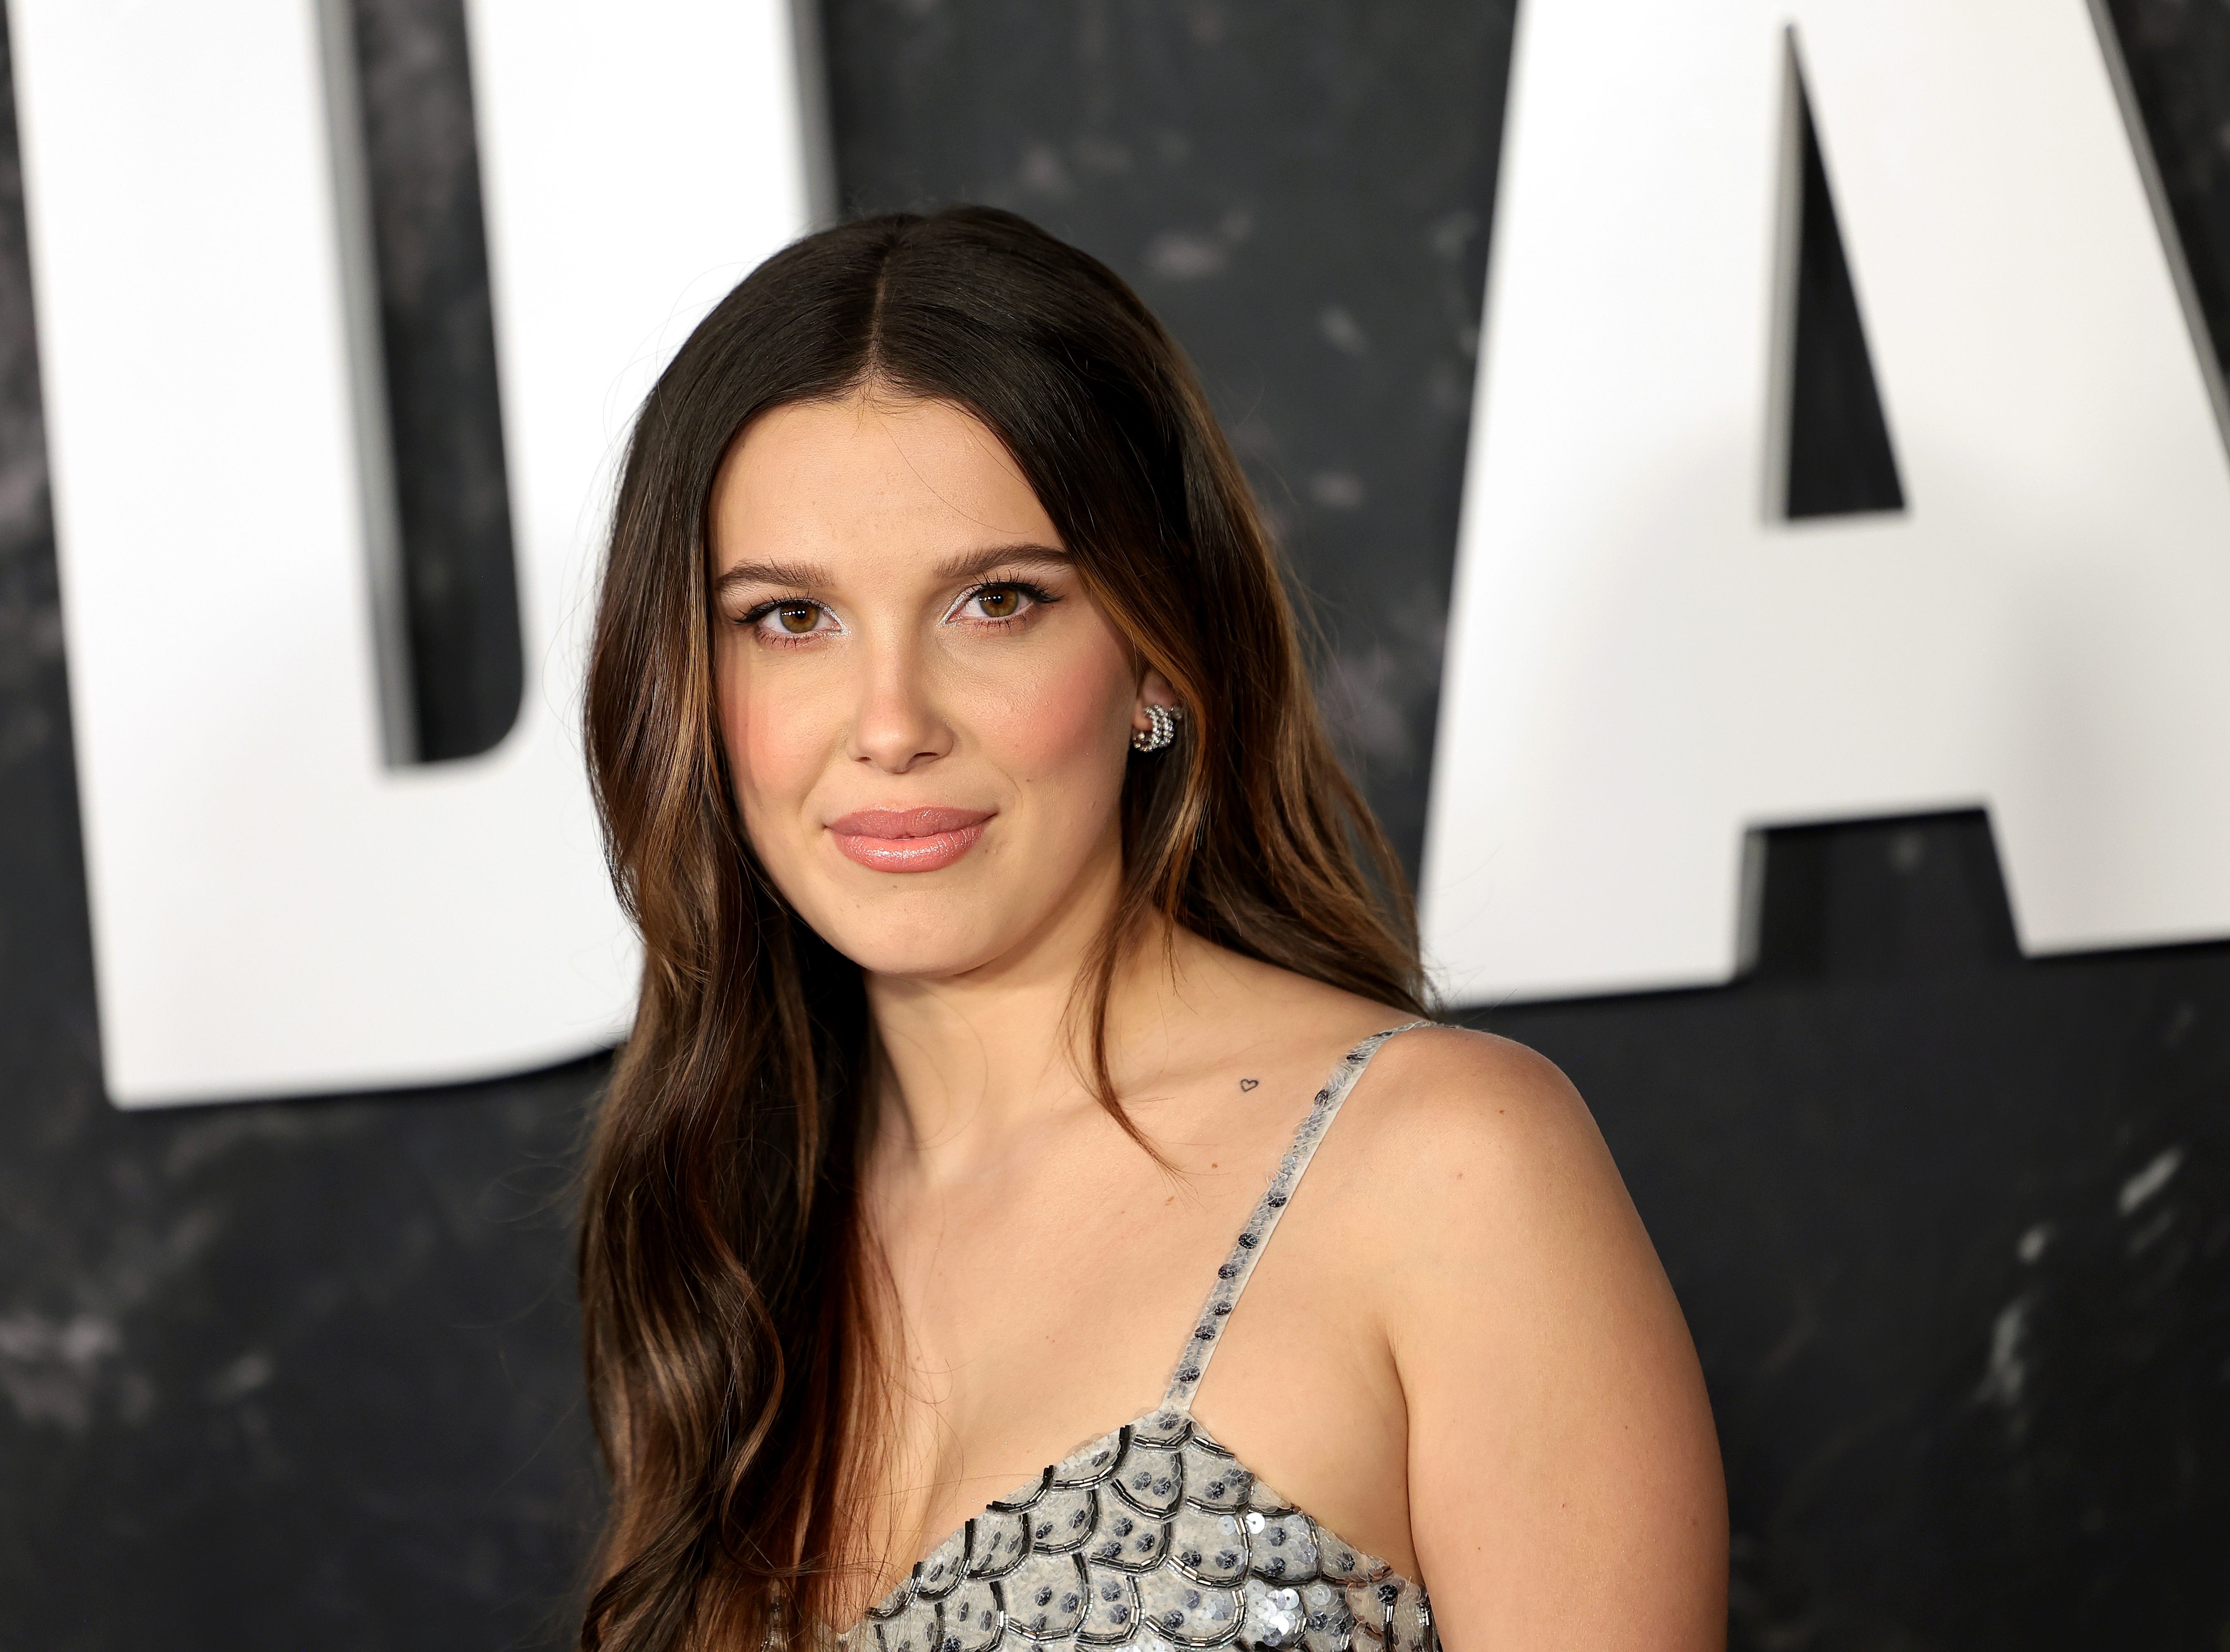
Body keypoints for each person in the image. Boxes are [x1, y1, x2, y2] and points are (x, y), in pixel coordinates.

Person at [575, 207, 1726, 1652]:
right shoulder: (730, 1238)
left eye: (997, 603)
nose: (891, 726)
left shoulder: (1447, 1170)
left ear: (1155, 658)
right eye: (791, 619)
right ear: (686, 680)